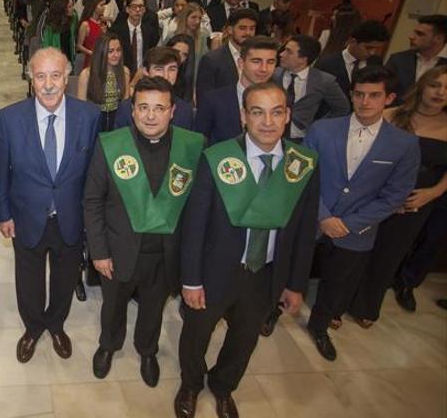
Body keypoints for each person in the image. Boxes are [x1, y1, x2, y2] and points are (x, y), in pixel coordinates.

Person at [174, 82, 319, 418]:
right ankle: (191, 384)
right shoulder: (217, 158)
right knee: (196, 334)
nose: (267, 121)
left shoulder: (304, 165)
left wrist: (296, 283)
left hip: (266, 273)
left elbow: (304, 231)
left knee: (244, 339)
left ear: (288, 116)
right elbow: (194, 226)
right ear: (243, 117)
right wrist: (191, 280)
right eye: (257, 112)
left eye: (276, 112)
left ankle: (223, 387)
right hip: (214, 273)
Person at [84, 76, 205, 387]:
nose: (151, 116)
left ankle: (147, 350)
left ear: (172, 111)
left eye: (159, 108)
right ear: (133, 110)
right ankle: (109, 345)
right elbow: (92, 200)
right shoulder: (110, 145)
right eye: (143, 107)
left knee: (153, 308)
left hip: (165, 254)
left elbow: (197, 208)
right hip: (118, 250)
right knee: (113, 307)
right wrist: (98, 252)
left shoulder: (191, 147)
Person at [304, 66, 420, 362]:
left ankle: (320, 327)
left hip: (356, 231)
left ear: (389, 98)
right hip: (313, 219)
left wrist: (348, 223)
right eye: (359, 94)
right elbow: (303, 175)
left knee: (336, 283)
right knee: (292, 271)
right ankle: (273, 311)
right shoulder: (322, 129)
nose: (365, 102)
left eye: (374, 95)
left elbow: (394, 195)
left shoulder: (404, 144)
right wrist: (323, 215)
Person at [0, 48, 100, 363]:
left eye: (56, 75)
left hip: (70, 217)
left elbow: (95, 173)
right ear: (31, 80)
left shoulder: (89, 116)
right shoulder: (10, 118)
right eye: (41, 76)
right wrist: (3, 214)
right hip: (26, 216)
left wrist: (90, 219)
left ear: (67, 77)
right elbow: (0, 172)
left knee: (65, 277)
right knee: (28, 278)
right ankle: (33, 327)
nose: (49, 84)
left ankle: (56, 323)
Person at [348, 65, 447, 325]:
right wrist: (387, 197)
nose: (441, 92)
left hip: (418, 200)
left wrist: (433, 193)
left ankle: (366, 307)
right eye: (435, 85)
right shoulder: (391, 116)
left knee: (388, 255)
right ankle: (338, 302)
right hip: (376, 195)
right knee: (356, 251)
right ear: (422, 85)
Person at [195, 36, 278, 144]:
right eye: (256, 61)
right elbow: (199, 143)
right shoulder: (212, 101)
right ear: (241, 63)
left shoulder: (281, 101)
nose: (264, 68)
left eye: (270, 62)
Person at [276, 34, 350, 141]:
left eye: (289, 51)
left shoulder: (324, 80)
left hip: (302, 138)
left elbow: (342, 108)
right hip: (272, 133)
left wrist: (319, 126)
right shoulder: (274, 75)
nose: (281, 54)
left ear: (303, 59)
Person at [116, 46, 195, 131]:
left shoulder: (185, 110)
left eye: (172, 69)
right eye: (159, 69)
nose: (166, 75)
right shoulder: (125, 109)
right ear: (146, 71)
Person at [314, 19, 388, 99]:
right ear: (353, 42)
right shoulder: (326, 64)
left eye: (377, 49)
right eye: (368, 48)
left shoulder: (375, 62)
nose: (372, 53)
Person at [196, 8, 258, 97]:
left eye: (252, 28)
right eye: (242, 28)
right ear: (230, 30)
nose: (248, 33)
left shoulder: (259, 58)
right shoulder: (212, 60)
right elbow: (204, 97)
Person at [385, 14, 447, 102]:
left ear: (438, 39)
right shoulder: (398, 60)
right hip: (397, 113)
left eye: (420, 34)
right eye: (414, 32)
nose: (411, 37)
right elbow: (384, 91)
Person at [77, 33, 131, 130]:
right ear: (101, 52)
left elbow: (125, 104)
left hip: (117, 120)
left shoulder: (125, 71)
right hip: (95, 119)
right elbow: (81, 108)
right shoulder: (86, 74)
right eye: (110, 51)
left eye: (118, 50)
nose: (116, 55)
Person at [112, 0, 160, 77]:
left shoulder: (150, 31)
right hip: (121, 74)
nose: (138, 10)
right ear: (127, 9)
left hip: (143, 76)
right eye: (134, 7)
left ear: (144, 10)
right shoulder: (116, 31)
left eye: (141, 7)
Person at [41, 0, 78, 69]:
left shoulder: (74, 18)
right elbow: (46, 47)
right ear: (62, 9)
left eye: (72, 6)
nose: (73, 9)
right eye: (69, 7)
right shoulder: (50, 26)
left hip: (69, 60)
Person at [76, 0, 106, 70]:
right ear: (94, 7)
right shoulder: (85, 24)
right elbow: (79, 46)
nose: (104, 7)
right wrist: (91, 53)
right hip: (90, 61)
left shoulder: (102, 23)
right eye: (101, 5)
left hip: (103, 60)